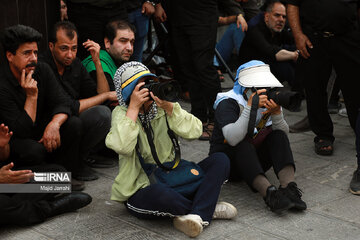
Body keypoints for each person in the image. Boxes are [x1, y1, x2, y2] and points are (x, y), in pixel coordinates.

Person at [105, 61, 237, 238]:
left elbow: (196, 131)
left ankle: (196, 213)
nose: (149, 90)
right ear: (129, 91)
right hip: (143, 187)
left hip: (175, 176)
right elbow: (122, 146)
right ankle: (205, 208)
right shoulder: (122, 113)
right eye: (142, 86)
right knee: (162, 195)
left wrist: (170, 108)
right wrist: (134, 109)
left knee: (220, 159)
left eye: (151, 83)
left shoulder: (162, 108)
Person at [209, 60, 306, 213]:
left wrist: (276, 114)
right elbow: (232, 139)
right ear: (246, 88)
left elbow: (284, 136)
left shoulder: (265, 102)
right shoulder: (227, 102)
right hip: (228, 164)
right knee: (242, 144)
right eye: (260, 86)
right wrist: (250, 107)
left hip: (253, 160)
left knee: (278, 135)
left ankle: (289, 188)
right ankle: (270, 194)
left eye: (267, 86)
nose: (265, 90)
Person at [284, 0, 360, 192]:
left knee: (354, 87)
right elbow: (293, 5)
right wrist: (298, 35)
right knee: (315, 88)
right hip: (313, 38)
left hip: (347, 36)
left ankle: (357, 126)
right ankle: (323, 135)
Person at [0, 25, 90, 184]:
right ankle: (54, 181)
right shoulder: (3, 84)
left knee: (73, 124)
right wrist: (32, 96)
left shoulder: (41, 68)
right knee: (33, 151)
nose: (33, 58)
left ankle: (64, 177)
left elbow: (63, 102)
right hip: (15, 143)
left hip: (41, 133)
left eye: (35, 52)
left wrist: (54, 124)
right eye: (26, 53)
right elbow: (22, 130)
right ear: (10, 56)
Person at [41, 21, 117, 171]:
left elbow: (101, 97)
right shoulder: (43, 66)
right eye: (64, 49)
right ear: (51, 46)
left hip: (71, 118)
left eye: (74, 49)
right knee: (77, 121)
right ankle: (70, 166)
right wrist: (106, 95)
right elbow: (69, 105)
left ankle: (82, 157)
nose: (70, 55)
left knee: (103, 113)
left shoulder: (75, 64)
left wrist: (97, 62)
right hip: (49, 125)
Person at [0, 123, 92, 226]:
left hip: (4, 185)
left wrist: (2, 147)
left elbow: (4, 157)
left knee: (58, 176)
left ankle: (15, 209)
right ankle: (49, 208)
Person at [161, 0, 221, 141]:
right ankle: (198, 116)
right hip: (178, 13)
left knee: (203, 66)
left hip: (202, 13)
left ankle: (216, 119)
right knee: (188, 67)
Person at [238, 0, 300, 92]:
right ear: (267, 16)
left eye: (284, 17)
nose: (281, 20)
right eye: (277, 15)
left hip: (266, 64)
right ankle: (297, 94)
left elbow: (295, 41)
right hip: (250, 71)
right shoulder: (255, 30)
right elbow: (272, 52)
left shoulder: (277, 29)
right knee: (285, 66)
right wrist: (294, 55)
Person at [82, 20, 135, 91]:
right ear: (107, 42)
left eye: (132, 42)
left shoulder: (121, 59)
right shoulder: (96, 65)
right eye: (123, 41)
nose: (129, 48)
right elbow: (108, 99)